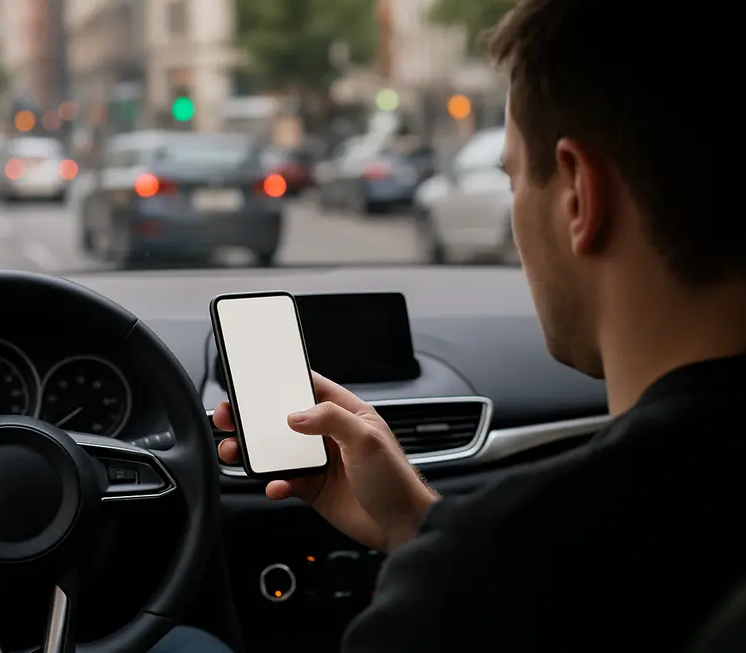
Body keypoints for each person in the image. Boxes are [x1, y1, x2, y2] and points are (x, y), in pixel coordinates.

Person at [208, 0, 746, 650]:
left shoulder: (487, 582)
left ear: (579, 195)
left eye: (514, 177)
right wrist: (420, 524)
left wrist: (449, 555)